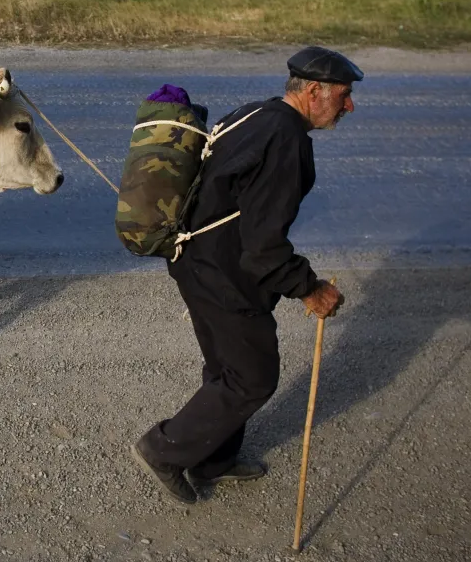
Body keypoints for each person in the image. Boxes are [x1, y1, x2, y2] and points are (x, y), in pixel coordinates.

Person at [131, 45, 362, 504]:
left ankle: (214, 459)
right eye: (344, 95)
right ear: (314, 91)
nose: (349, 105)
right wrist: (308, 288)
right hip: (224, 273)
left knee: (224, 368)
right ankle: (164, 449)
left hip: (193, 258)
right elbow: (264, 245)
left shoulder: (259, 113)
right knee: (252, 378)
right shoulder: (287, 140)